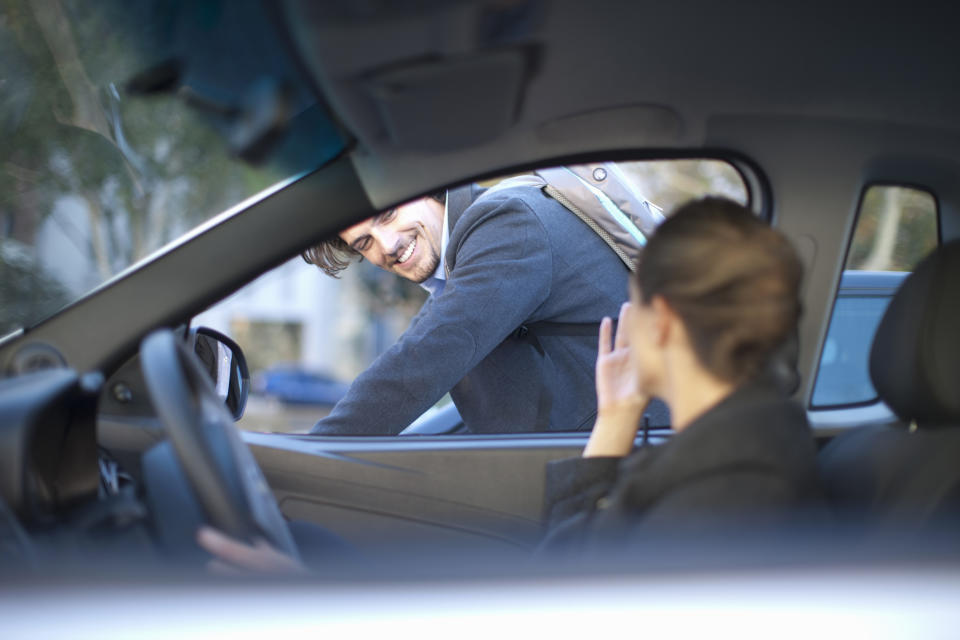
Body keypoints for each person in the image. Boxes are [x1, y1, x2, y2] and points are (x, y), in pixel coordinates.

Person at [197, 197, 823, 572]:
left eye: (631, 293)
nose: (385, 247)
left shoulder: (732, 475)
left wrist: (315, 605)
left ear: (664, 319)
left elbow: (569, 603)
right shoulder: (723, 448)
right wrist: (614, 415)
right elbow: (575, 567)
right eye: (365, 243)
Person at [540, 197, 823, 553]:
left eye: (633, 304)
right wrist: (616, 416)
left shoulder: (722, 497)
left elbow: (567, 589)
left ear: (662, 321)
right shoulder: (749, 446)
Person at [305, 181, 631, 435]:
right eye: (365, 243)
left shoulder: (505, 224)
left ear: (424, 187)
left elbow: (425, 357)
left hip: (638, 466)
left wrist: (304, 457)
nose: (388, 245)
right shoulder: (465, 260)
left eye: (388, 215)